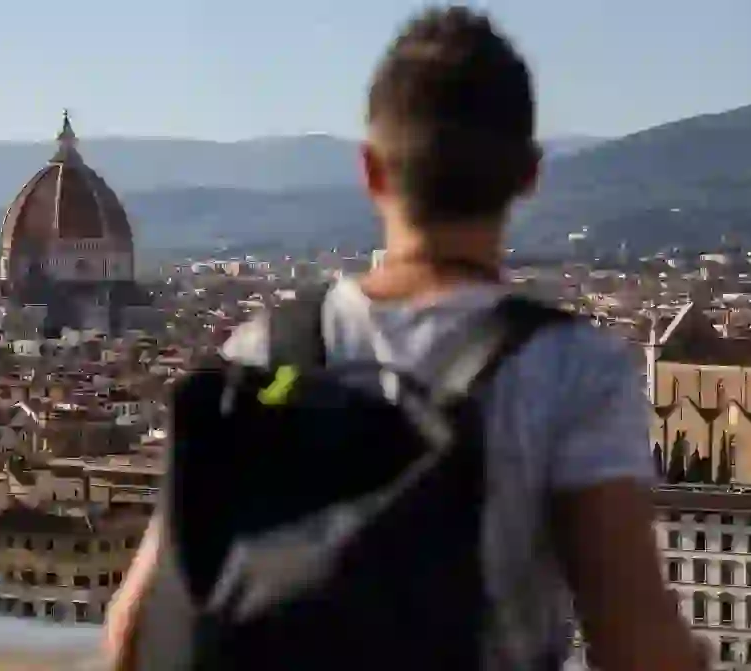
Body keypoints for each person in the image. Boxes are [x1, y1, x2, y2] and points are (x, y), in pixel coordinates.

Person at [105, 6, 704, 671]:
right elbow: (636, 643)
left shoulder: (262, 354)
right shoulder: (573, 370)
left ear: (372, 171)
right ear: (530, 174)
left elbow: (134, 632)